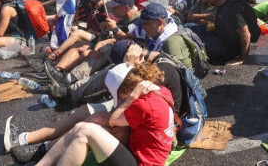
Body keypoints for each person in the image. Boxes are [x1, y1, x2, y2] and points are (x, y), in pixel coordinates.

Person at [33, 62, 175, 166]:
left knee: (85, 131)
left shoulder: (144, 104)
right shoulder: (161, 90)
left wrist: (131, 97)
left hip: (142, 163)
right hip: (142, 154)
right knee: (81, 127)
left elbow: (113, 120)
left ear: (129, 88)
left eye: (120, 96)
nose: (120, 100)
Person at [189, 0, 259, 65]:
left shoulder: (233, 8)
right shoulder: (221, 2)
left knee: (192, 41)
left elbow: (245, 34)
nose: (203, 0)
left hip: (230, 47)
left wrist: (242, 58)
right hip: (223, 36)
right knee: (188, 27)